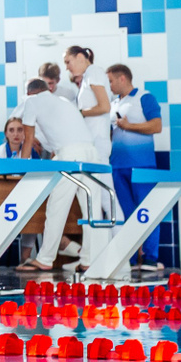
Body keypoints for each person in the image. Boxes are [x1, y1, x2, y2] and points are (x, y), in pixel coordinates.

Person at [12, 77, 101, 272]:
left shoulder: (31, 101)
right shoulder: (64, 101)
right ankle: (88, 260)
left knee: (56, 207)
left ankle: (45, 259)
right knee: (91, 209)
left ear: (29, 93)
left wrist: (20, 167)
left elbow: (27, 139)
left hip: (69, 156)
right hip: (92, 153)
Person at [107, 64, 166, 275]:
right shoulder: (114, 103)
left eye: (111, 81)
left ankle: (150, 257)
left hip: (142, 165)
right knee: (126, 214)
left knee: (147, 211)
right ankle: (131, 258)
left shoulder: (144, 97)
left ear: (122, 78)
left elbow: (156, 126)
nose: (109, 85)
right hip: (118, 166)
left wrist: (129, 126)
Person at [66, 45, 114, 231]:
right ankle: (103, 244)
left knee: (106, 197)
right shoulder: (87, 76)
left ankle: (123, 246)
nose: (67, 67)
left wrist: (79, 113)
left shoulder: (94, 71)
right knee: (97, 199)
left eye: (68, 62)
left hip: (98, 144)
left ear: (80, 57)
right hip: (92, 144)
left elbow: (105, 107)